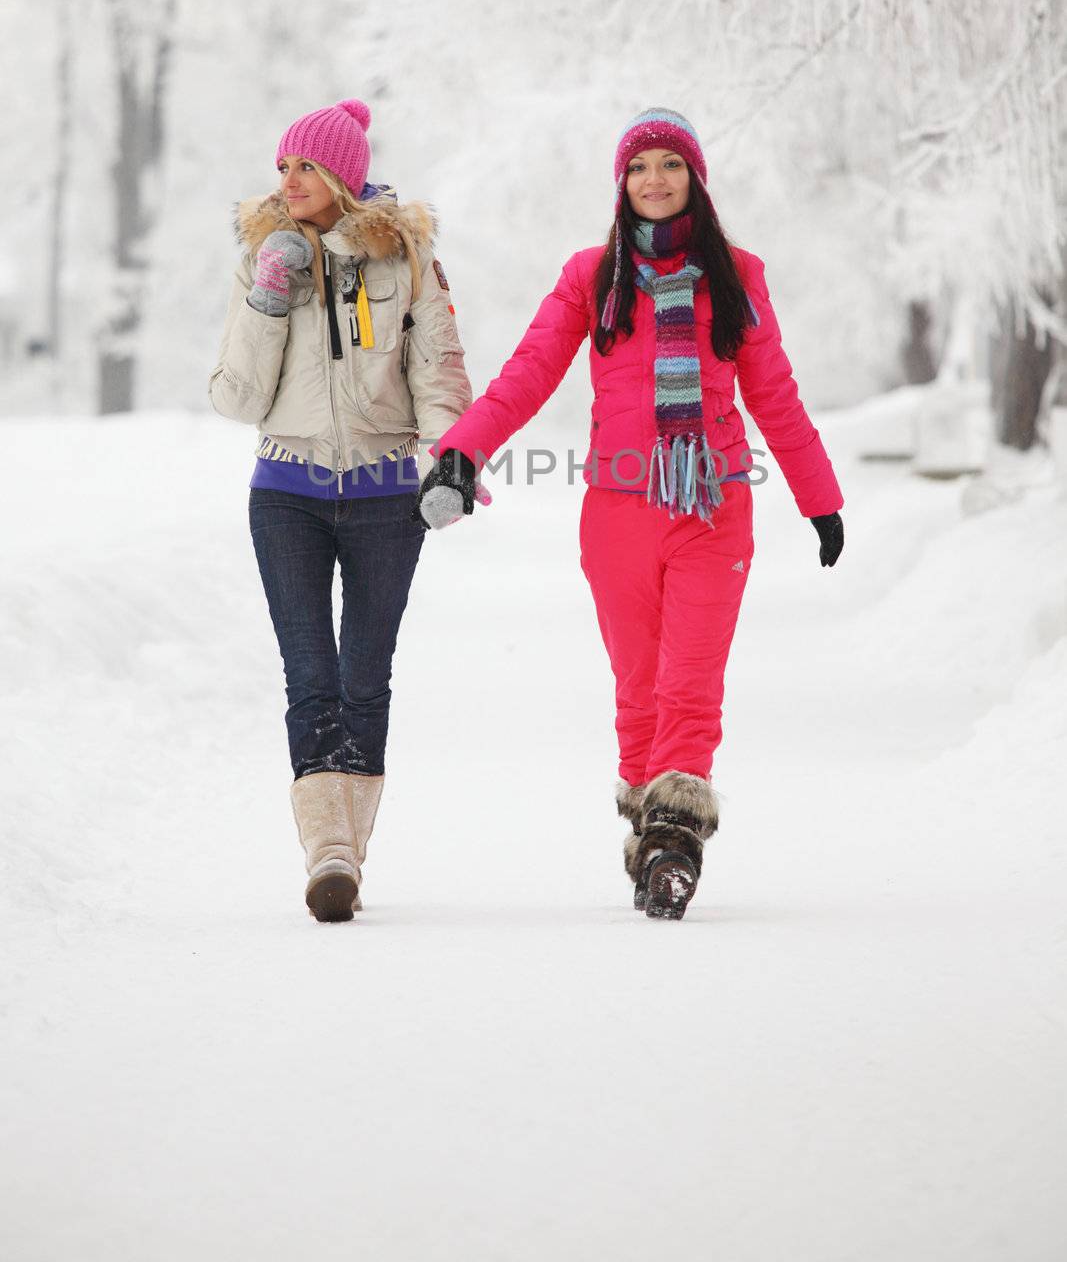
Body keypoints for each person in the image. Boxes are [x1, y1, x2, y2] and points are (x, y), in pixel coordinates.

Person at [416, 108, 844, 920]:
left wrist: (819, 500)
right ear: (621, 182)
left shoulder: (737, 275)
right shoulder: (591, 276)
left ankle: (673, 847)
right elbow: (528, 372)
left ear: (694, 179)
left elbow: (774, 394)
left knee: (689, 685)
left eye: (669, 165)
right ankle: (649, 837)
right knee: (638, 688)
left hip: (713, 507)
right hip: (616, 514)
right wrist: (462, 454)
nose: (654, 179)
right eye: (639, 166)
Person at [210, 98, 472, 922]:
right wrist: (268, 298)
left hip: (385, 495)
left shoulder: (407, 257)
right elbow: (237, 396)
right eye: (282, 166)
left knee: (365, 677)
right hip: (285, 494)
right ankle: (327, 851)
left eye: (306, 167)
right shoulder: (263, 258)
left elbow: (438, 369)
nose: (289, 180)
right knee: (309, 677)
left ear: (344, 176)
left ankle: (345, 854)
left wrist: (452, 460)